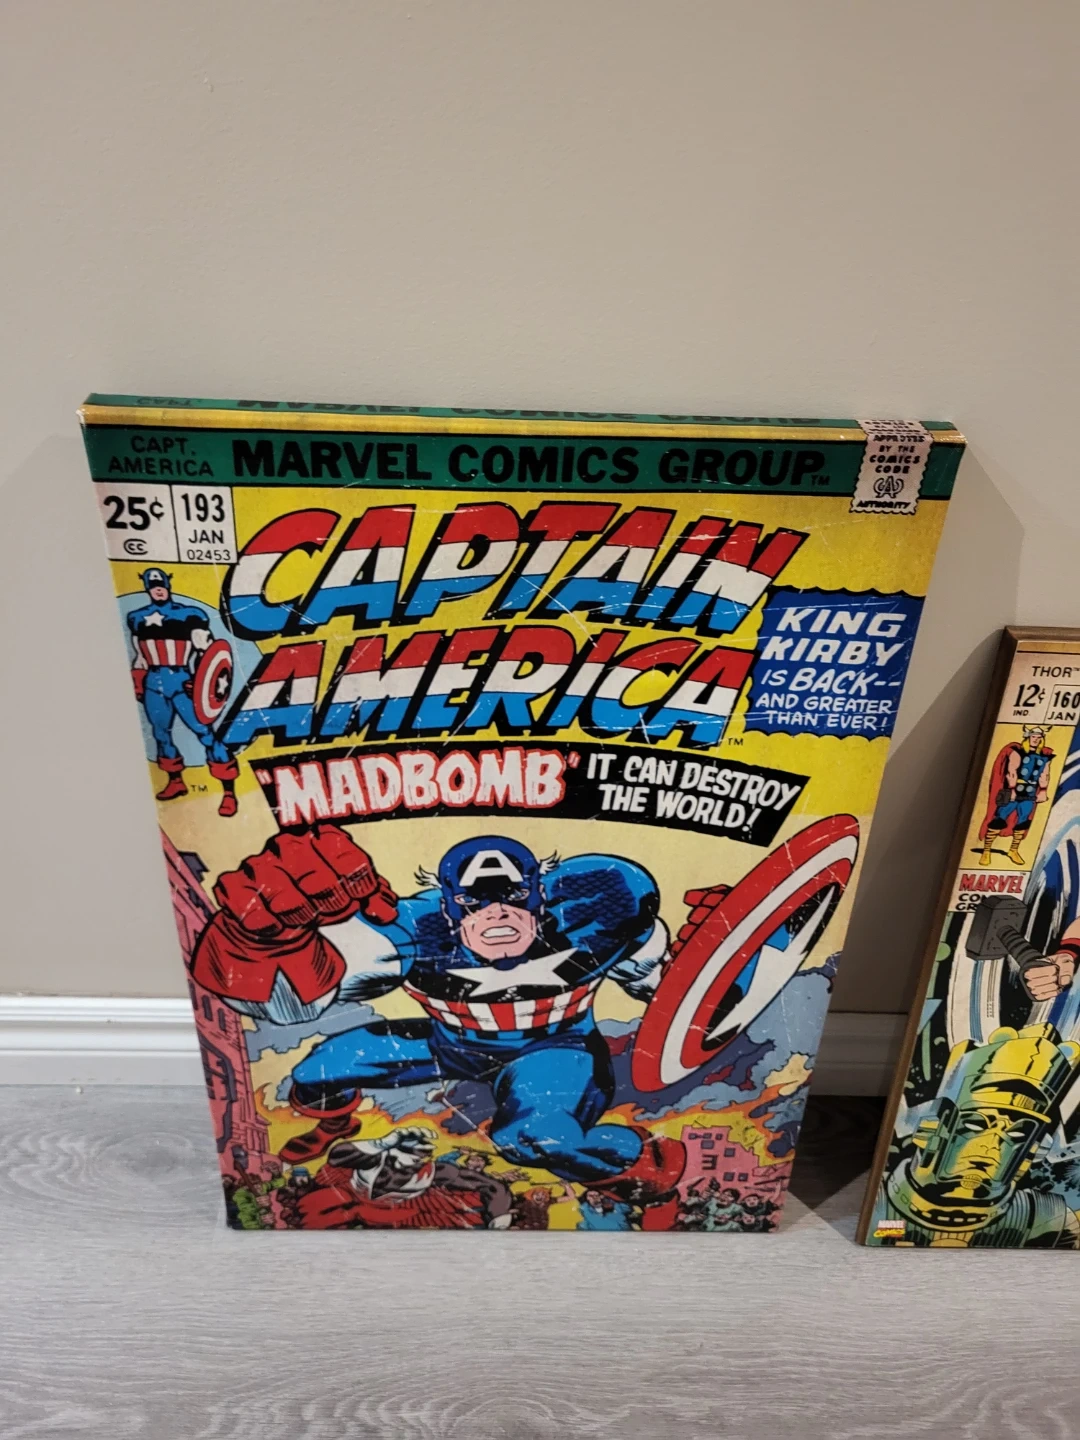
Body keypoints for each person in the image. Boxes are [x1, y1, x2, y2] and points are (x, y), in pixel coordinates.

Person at [191, 827, 685, 1212]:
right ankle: (335, 1122)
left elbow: (660, 988)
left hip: (555, 1051)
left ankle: (645, 1176)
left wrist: (700, 969)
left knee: (535, 1139)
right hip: (449, 1044)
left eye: (513, 895)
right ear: (449, 906)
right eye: (475, 901)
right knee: (318, 1070)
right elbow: (290, 1004)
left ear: (540, 894)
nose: (498, 913)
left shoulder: (599, 914)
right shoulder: (410, 932)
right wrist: (256, 942)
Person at [126, 568, 238, 816]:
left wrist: (201, 682)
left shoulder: (189, 616)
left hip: (181, 681)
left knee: (205, 734)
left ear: (168, 586)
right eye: (153, 586)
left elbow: (207, 653)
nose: (158, 589)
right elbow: (140, 655)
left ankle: (229, 792)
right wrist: (138, 680)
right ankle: (176, 781)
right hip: (154, 683)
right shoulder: (136, 618)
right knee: (160, 734)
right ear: (147, 588)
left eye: (161, 585)